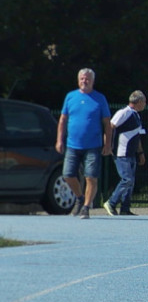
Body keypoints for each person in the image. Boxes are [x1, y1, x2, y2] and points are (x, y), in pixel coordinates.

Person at [56, 68, 113, 219]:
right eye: (82, 78)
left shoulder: (99, 98)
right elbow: (62, 120)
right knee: (67, 175)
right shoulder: (71, 97)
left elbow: (107, 123)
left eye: (87, 79)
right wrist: (59, 140)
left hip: (93, 145)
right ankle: (79, 198)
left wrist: (108, 144)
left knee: (91, 177)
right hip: (72, 144)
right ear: (78, 80)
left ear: (92, 81)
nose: (84, 81)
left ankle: (86, 207)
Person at [103, 90, 147, 216]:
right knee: (127, 179)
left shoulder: (136, 115)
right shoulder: (124, 112)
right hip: (121, 153)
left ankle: (125, 208)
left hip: (131, 153)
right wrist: (108, 144)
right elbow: (110, 126)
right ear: (138, 102)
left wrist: (141, 152)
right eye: (144, 101)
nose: (145, 104)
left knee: (131, 181)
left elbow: (137, 136)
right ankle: (111, 202)